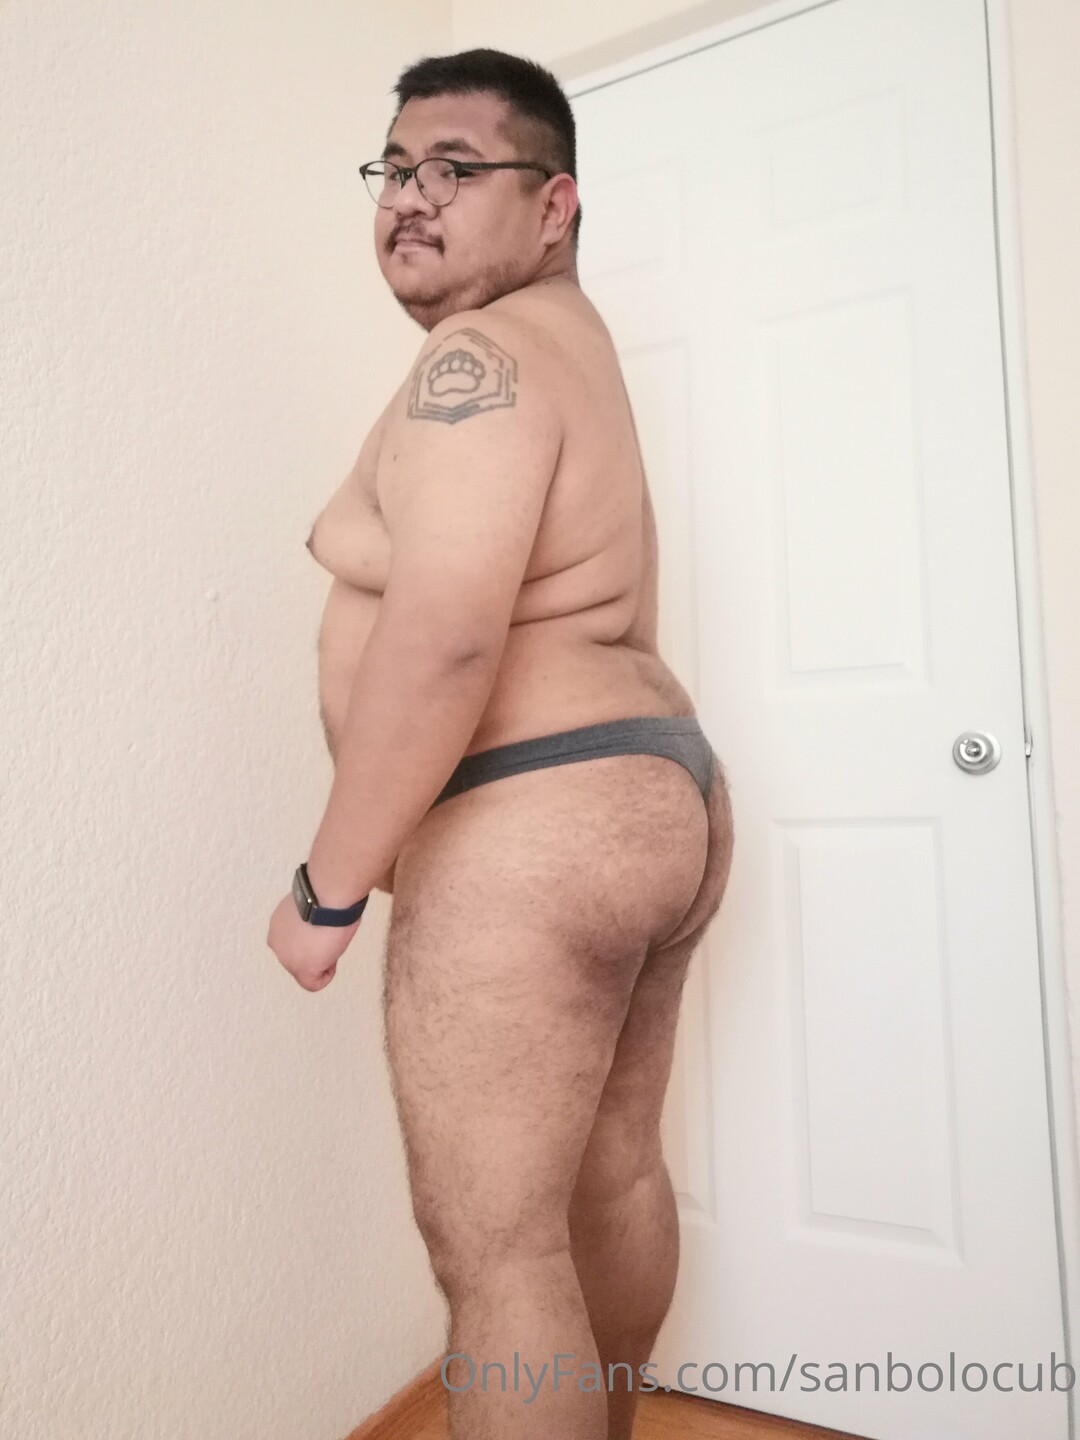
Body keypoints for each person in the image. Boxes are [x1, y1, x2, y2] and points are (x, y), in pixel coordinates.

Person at [266, 47, 735, 1440]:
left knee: (498, 1251)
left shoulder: (477, 359)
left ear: (554, 205)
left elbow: (449, 634)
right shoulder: (567, 347)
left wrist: (326, 887)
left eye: (458, 169)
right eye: (396, 168)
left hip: (535, 816)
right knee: (611, 1176)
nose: (411, 196)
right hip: (650, 790)